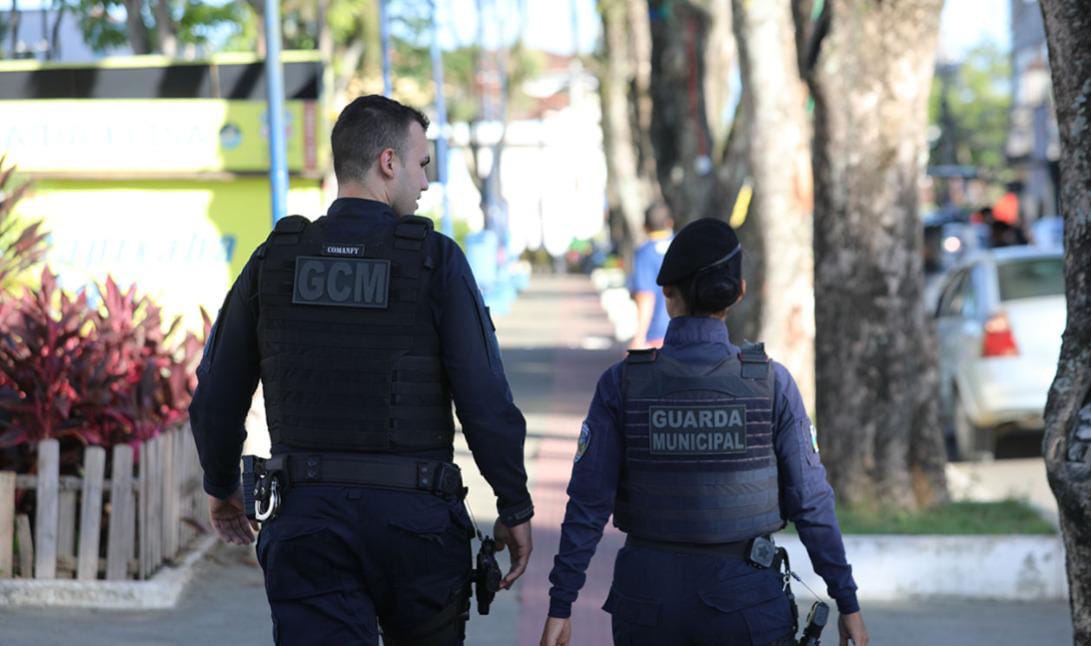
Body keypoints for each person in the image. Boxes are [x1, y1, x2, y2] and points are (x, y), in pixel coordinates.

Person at [188, 95, 534, 645]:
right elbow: (485, 398)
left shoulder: (274, 260)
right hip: (416, 527)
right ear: (388, 163)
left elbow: (216, 395)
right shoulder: (435, 259)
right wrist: (513, 503)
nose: (425, 183)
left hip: (307, 524)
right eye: (422, 165)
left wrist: (220, 483)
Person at [539, 218, 869, 646]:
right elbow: (811, 503)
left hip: (647, 604)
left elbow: (588, 504)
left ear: (667, 294)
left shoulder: (622, 384)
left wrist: (561, 605)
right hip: (747, 604)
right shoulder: (771, 384)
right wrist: (847, 603)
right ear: (739, 292)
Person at [629, 202, 674, 349]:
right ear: (670, 222)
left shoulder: (645, 253)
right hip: (686, 332)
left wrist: (639, 337)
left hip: (657, 335)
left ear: (645, 226)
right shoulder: (682, 246)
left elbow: (646, 296)